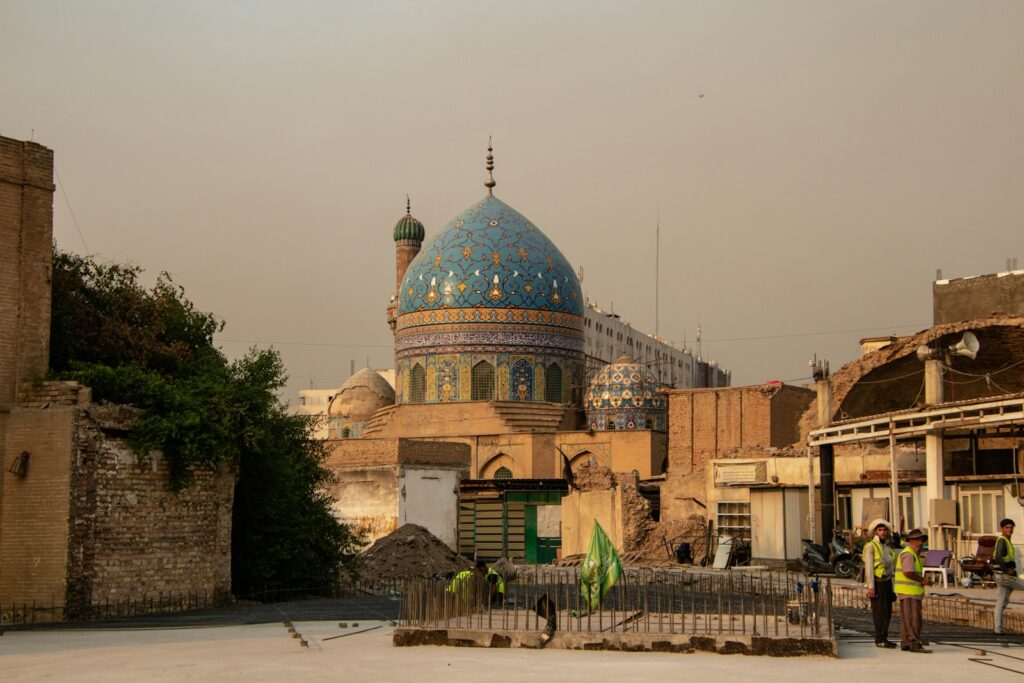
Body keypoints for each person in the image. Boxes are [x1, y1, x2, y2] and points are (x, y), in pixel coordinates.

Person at [894, 528, 930, 653]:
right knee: (913, 618)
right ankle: (914, 642)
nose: (921, 542)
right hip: (910, 591)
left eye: (921, 540)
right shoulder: (909, 553)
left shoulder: (913, 553)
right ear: (912, 541)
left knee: (907, 618)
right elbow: (908, 572)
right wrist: (922, 580)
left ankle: (906, 642)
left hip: (909, 591)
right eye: (919, 540)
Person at [863, 518, 897, 648]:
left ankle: (884, 637)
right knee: (879, 612)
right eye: (880, 530)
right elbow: (869, 568)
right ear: (875, 532)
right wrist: (871, 587)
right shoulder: (871, 546)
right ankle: (880, 639)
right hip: (878, 583)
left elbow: (891, 567)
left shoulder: (887, 546)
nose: (883, 532)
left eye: (884, 530)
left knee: (887, 612)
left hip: (887, 582)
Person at [992, 518, 1024, 635]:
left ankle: (998, 629)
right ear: (1002, 529)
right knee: (1002, 601)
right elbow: (999, 557)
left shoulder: (1007, 541)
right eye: (1007, 527)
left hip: (1002, 576)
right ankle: (998, 628)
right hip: (1004, 576)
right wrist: (1007, 570)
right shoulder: (1002, 541)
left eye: (1011, 528)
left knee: (1002, 602)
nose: (1009, 529)